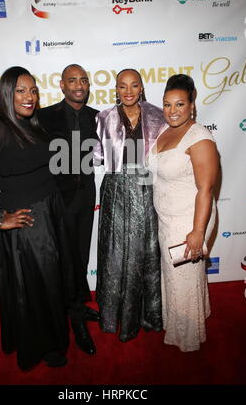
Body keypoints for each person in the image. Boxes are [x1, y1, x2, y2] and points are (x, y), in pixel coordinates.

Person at [0, 66, 80, 370]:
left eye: (33, 90)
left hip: (49, 212)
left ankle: (51, 337)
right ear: (7, 94)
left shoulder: (33, 124)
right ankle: (45, 346)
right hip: (29, 223)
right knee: (39, 287)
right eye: (21, 91)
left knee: (51, 283)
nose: (29, 97)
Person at [94, 68, 166, 342]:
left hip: (148, 189)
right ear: (116, 89)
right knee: (115, 251)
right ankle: (114, 315)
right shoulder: (104, 118)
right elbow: (99, 157)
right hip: (115, 191)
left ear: (141, 88)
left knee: (144, 251)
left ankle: (145, 315)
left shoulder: (158, 116)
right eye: (122, 86)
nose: (128, 91)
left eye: (133, 85)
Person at [150, 74, 219, 352]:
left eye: (179, 104)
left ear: (192, 104)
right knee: (178, 276)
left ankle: (188, 338)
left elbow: (205, 190)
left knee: (184, 277)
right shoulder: (165, 131)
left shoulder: (200, 138)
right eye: (167, 105)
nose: (172, 111)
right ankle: (185, 320)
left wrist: (198, 232)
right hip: (168, 216)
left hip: (190, 218)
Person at [37, 64, 99, 355]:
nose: (79, 85)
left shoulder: (97, 118)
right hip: (56, 201)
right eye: (72, 80)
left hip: (86, 198)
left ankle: (76, 307)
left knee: (81, 255)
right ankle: (74, 316)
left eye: (83, 80)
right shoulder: (45, 117)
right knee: (64, 259)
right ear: (61, 85)